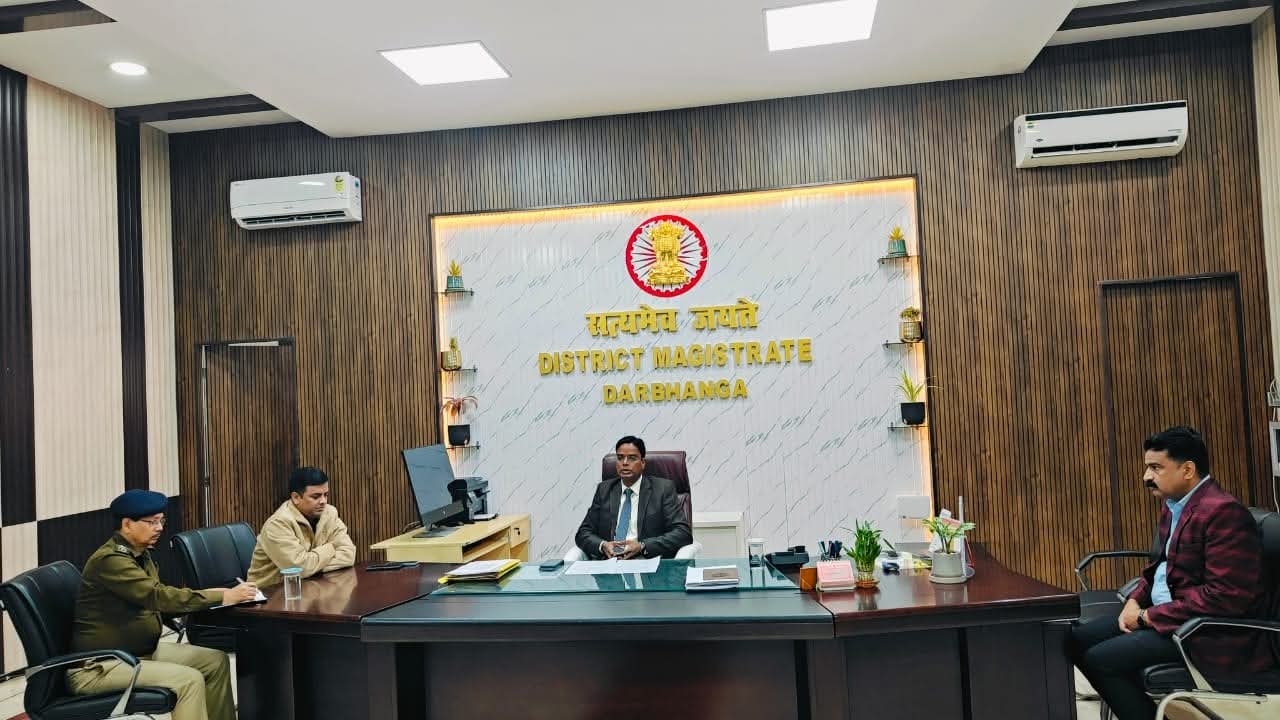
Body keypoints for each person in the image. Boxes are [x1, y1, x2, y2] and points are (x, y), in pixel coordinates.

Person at [1070, 426, 1268, 720]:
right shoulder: (1174, 505)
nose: (1146, 476)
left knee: (1102, 660)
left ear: (1187, 470)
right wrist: (1135, 601)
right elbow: (1159, 567)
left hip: (1205, 632)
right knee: (1074, 639)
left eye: (1156, 468)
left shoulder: (1224, 513)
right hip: (1169, 616)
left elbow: (1225, 597)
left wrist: (1146, 617)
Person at [68, 489, 258, 720]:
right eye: (152, 522)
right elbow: (157, 597)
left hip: (138, 653)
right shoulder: (111, 560)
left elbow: (158, 599)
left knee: (215, 661)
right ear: (127, 524)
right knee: (188, 680)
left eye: (161, 521)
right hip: (101, 666)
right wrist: (222, 598)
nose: (159, 528)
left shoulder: (140, 554)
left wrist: (214, 594)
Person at [575, 436, 692, 559]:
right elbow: (583, 533)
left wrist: (642, 546)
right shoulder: (604, 490)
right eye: (620, 458)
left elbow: (682, 533)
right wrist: (603, 545)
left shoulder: (662, 489)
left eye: (632, 458)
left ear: (643, 463)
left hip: (646, 561)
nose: (625, 463)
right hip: (609, 561)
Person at [248, 466, 356, 587]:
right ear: (296, 498)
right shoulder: (277, 524)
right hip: (270, 593)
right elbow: (299, 569)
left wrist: (310, 566)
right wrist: (331, 548)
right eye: (316, 496)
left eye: (325, 495)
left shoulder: (329, 513)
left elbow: (349, 555)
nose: (323, 501)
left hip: (311, 586)